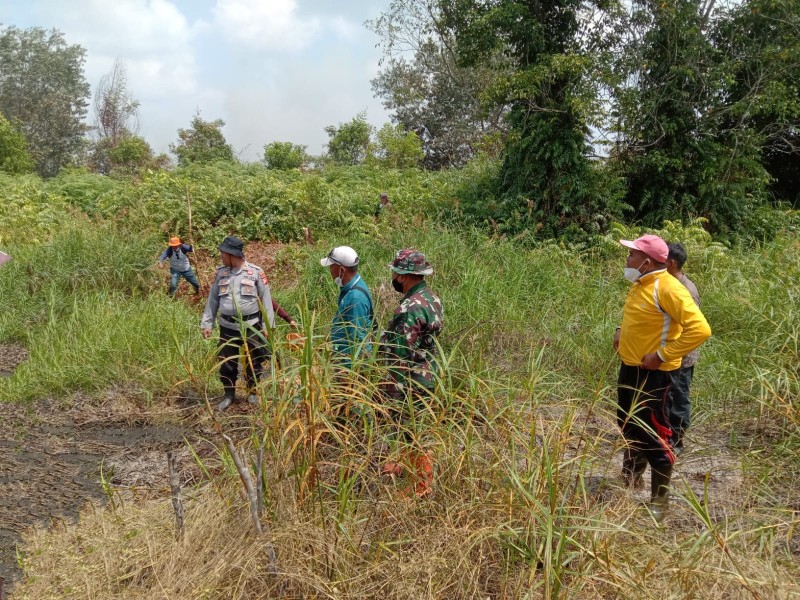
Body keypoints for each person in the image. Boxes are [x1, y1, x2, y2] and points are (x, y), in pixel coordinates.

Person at [613, 234, 711, 522]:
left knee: (655, 436)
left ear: (648, 261)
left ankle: (659, 502)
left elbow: (700, 330)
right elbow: (641, 319)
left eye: (632, 255)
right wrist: (621, 331)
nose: (627, 259)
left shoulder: (670, 288)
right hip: (630, 369)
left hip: (655, 376)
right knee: (628, 426)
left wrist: (663, 355)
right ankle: (630, 478)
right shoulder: (641, 283)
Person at [379, 248, 443, 497]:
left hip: (409, 380)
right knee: (415, 430)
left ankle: (419, 488)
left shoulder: (410, 307)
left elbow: (402, 351)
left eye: (395, 272)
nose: (393, 276)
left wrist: (391, 386)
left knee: (411, 433)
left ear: (403, 275)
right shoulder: (432, 298)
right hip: (427, 374)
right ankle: (409, 475)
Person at [201, 236, 276, 411]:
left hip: (251, 325)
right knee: (227, 361)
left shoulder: (256, 272)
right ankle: (229, 394)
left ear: (231, 254)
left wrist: (267, 326)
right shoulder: (221, 273)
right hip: (227, 327)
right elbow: (212, 299)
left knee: (254, 360)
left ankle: (252, 392)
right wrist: (207, 323)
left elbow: (266, 300)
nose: (221, 257)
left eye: (223, 253)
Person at [665, 242, 701, 455]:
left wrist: (675, 352)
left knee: (679, 398)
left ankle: (676, 442)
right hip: (669, 355)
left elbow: (694, 328)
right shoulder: (667, 285)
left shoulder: (687, 290)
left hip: (682, 357)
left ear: (670, 263)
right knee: (667, 397)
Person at [320, 246, 374, 367]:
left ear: (342, 270)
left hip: (350, 366)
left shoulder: (355, 298)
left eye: (332, 266)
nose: (330, 270)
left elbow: (357, 340)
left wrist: (350, 374)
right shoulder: (351, 287)